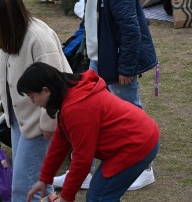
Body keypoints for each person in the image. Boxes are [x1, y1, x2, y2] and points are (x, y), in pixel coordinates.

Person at [18, 63, 160, 202]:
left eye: (32, 97)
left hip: (137, 144)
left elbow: (82, 159)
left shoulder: (76, 109)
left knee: (99, 197)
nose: (33, 102)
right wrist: (45, 179)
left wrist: (66, 197)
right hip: (135, 139)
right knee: (100, 195)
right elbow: (61, 140)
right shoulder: (69, 95)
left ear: (46, 91)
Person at [0, 0, 69, 202]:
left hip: (40, 123)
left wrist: (49, 123)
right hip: (18, 119)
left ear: (6, 15)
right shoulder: (6, 33)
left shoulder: (38, 38)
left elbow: (57, 85)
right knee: (40, 184)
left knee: (23, 188)